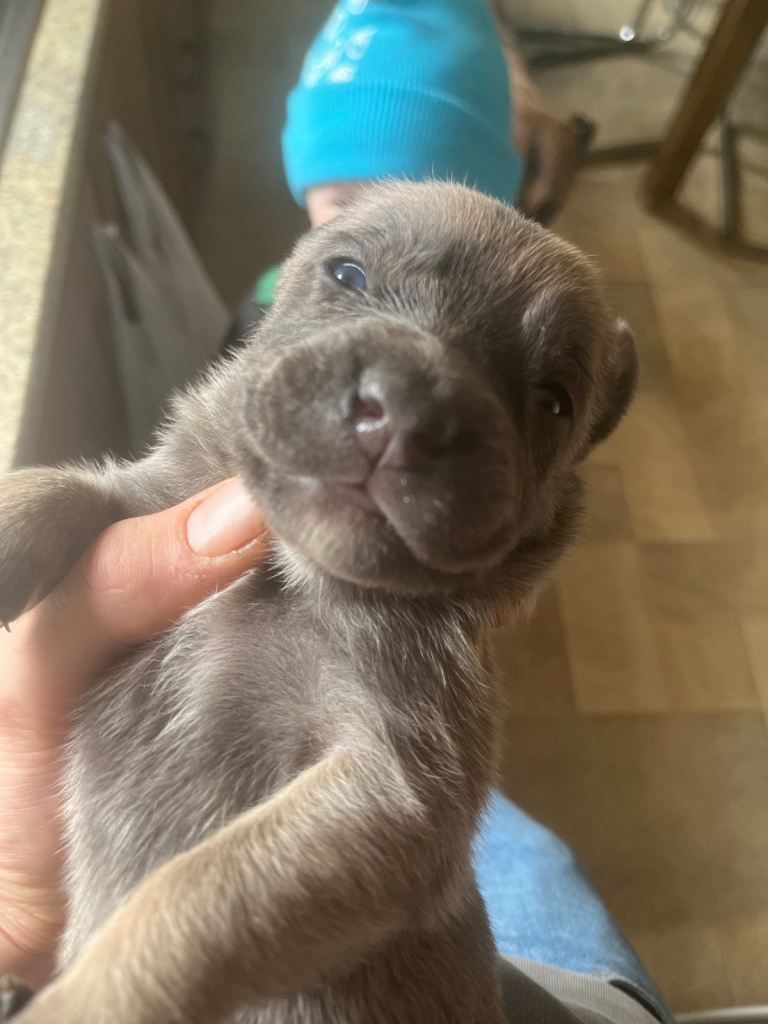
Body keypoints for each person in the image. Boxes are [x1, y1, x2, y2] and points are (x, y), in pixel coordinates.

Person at [0, 4, 670, 1022]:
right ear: (285, 285)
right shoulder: (221, 443)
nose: (402, 412)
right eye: (350, 276)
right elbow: (106, 500)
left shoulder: (423, 627)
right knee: (533, 856)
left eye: (546, 396)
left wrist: (120, 983)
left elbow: (392, 819)